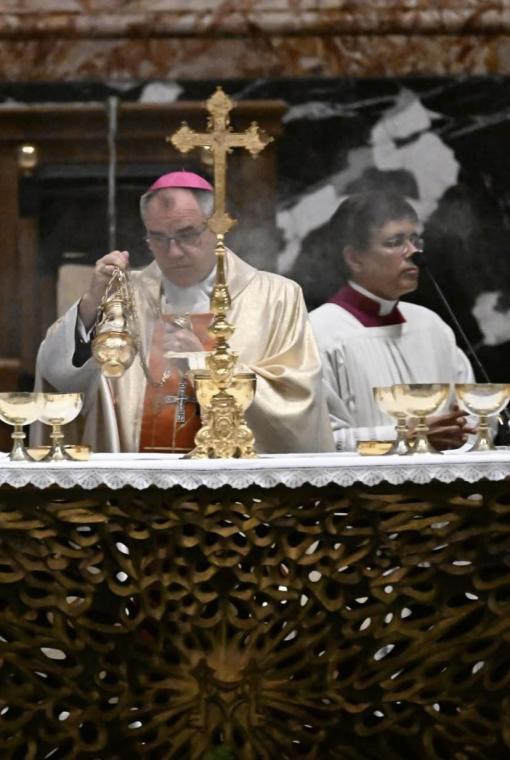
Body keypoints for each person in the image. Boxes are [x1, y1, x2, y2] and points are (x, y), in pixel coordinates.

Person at [34, 170, 334, 454]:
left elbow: (297, 399)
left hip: (235, 479)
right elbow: (58, 377)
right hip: (138, 482)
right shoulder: (125, 296)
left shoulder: (275, 297)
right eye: (158, 238)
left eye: (187, 234)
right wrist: (91, 302)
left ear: (217, 228)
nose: (173, 252)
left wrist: (202, 365)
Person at [309, 190, 476, 452]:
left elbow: (476, 414)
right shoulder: (319, 333)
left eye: (415, 240)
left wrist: (463, 432)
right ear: (354, 258)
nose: (414, 253)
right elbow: (317, 441)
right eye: (395, 242)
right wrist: (406, 437)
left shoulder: (430, 325)